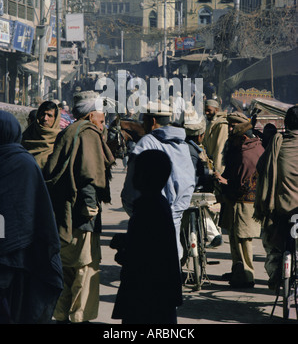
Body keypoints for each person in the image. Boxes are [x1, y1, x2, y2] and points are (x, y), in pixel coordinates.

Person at [43, 91, 115, 324]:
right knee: (85, 270)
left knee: (66, 269)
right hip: (82, 217)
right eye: (102, 120)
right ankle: (78, 317)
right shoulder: (89, 134)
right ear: (91, 115)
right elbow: (89, 175)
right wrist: (91, 208)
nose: (103, 125)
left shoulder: (69, 131)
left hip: (64, 214)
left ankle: (62, 314)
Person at [0, 111, 63, 324]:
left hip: (15, 251)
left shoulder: (22, 163)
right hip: (20, 251)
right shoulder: (25, 163)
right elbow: (35, 212)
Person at [112, 150, 182, 324]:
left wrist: (124, 251)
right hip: (159, 294)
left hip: (146, 295)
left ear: (144, 175)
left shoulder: (148, 207)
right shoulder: (157, 203)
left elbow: (143, 256)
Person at [121, 102, 195, 260]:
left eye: (144, 120)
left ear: (152, 121)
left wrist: (132, 208)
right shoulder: (182, 144)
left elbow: (131, 188)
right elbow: (189, 181)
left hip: (149, 212)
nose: (142, 124)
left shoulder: (146, 143)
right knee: (172, 253)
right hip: (176, 211)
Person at [215, 119, 264, 288]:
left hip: (244, 204)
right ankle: (238, 272)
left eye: (234, 138)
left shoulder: (246, 154)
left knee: (243, 241)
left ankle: (247, 277)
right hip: (249, 202)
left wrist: (223, 181)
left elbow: (241, 184)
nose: (232, 141)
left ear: (243, 137)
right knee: (238, 239)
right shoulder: (257, 147)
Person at [254, 105, 298, 291]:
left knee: (270, 240)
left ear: (286, 123)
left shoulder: (277, 143)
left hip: (279, 207)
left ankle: (275, 275)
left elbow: (260, 167)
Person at [184, 116, 222, 247]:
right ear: (201, 136)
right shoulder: (194, 151)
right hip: (193, 188)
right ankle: (213, 235)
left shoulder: (185, 146)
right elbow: (198, 174)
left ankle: (213, 235)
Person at [21, 100, 61, 170]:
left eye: (49, 115)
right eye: (43, 114)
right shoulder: (28, 134)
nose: (45, 119)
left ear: (56, 119)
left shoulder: (61, 138)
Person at [203, 99, 229, 181]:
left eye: (209, 110)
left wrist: (218, 172)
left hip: (217, 166)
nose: (206, 113)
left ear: (216, 110)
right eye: (205, 110)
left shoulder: (222, 125)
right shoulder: (210, 122)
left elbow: (220, 148)